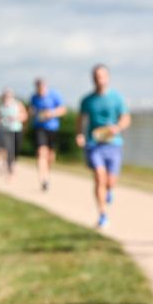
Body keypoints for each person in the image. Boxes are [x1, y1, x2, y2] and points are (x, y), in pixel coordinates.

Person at [76, 64, 131, 229]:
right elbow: (80, 120)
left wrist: (117, 128)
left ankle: (108, 190)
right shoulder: (87, 100)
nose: (99, 79)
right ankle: (102, 214)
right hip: (94, 144)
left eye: (102, 76)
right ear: (92, 78)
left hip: (113, 144)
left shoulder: (117, 98)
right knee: (99, 177)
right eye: (96, 76)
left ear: (107, 77)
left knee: (110, 181)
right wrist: (79, 135)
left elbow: (126, 118)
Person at [29, 78, 67, 191]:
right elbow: (32, 110)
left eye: (42, 87)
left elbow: (63, 109)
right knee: (41, 152)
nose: (40, 90)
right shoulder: (34, 97)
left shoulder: (54, 95)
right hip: (39, 128)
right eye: (38, 88)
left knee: (50, 155)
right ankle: (43, 179)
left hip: (52, 128)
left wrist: (51, 113)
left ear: (45, 86)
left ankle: (47, 172)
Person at [0, 89, 27, 181]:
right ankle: (10, 171)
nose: (7, 98)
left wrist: (16, 118)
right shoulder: (0, 107)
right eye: (6, 96)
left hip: (17, 130)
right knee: (9, 149)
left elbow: (24, 116)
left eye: (9, 96)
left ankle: (13, 165)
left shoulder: (18, 104)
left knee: (16, 150)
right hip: (5, 131)